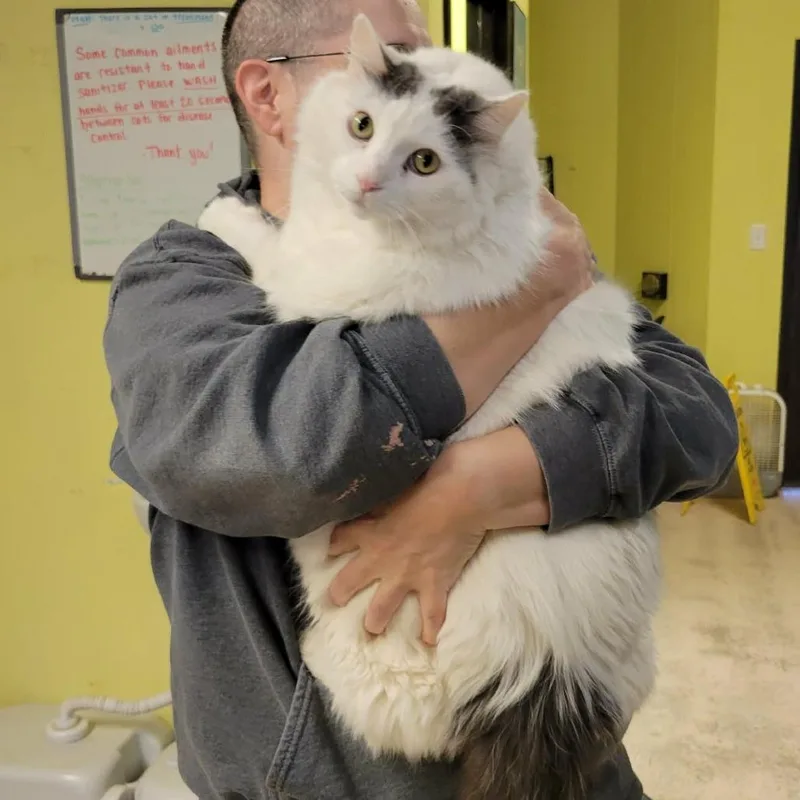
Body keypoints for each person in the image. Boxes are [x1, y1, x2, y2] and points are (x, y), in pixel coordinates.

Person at [103, 1, 738, 798]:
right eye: (398, 54)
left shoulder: (502, 233)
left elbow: (702, 418)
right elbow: (273, 450)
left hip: (565, 755)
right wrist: (537, 291)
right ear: (268, 95)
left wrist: (495, 481)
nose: (431, 77)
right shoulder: (181, 277)